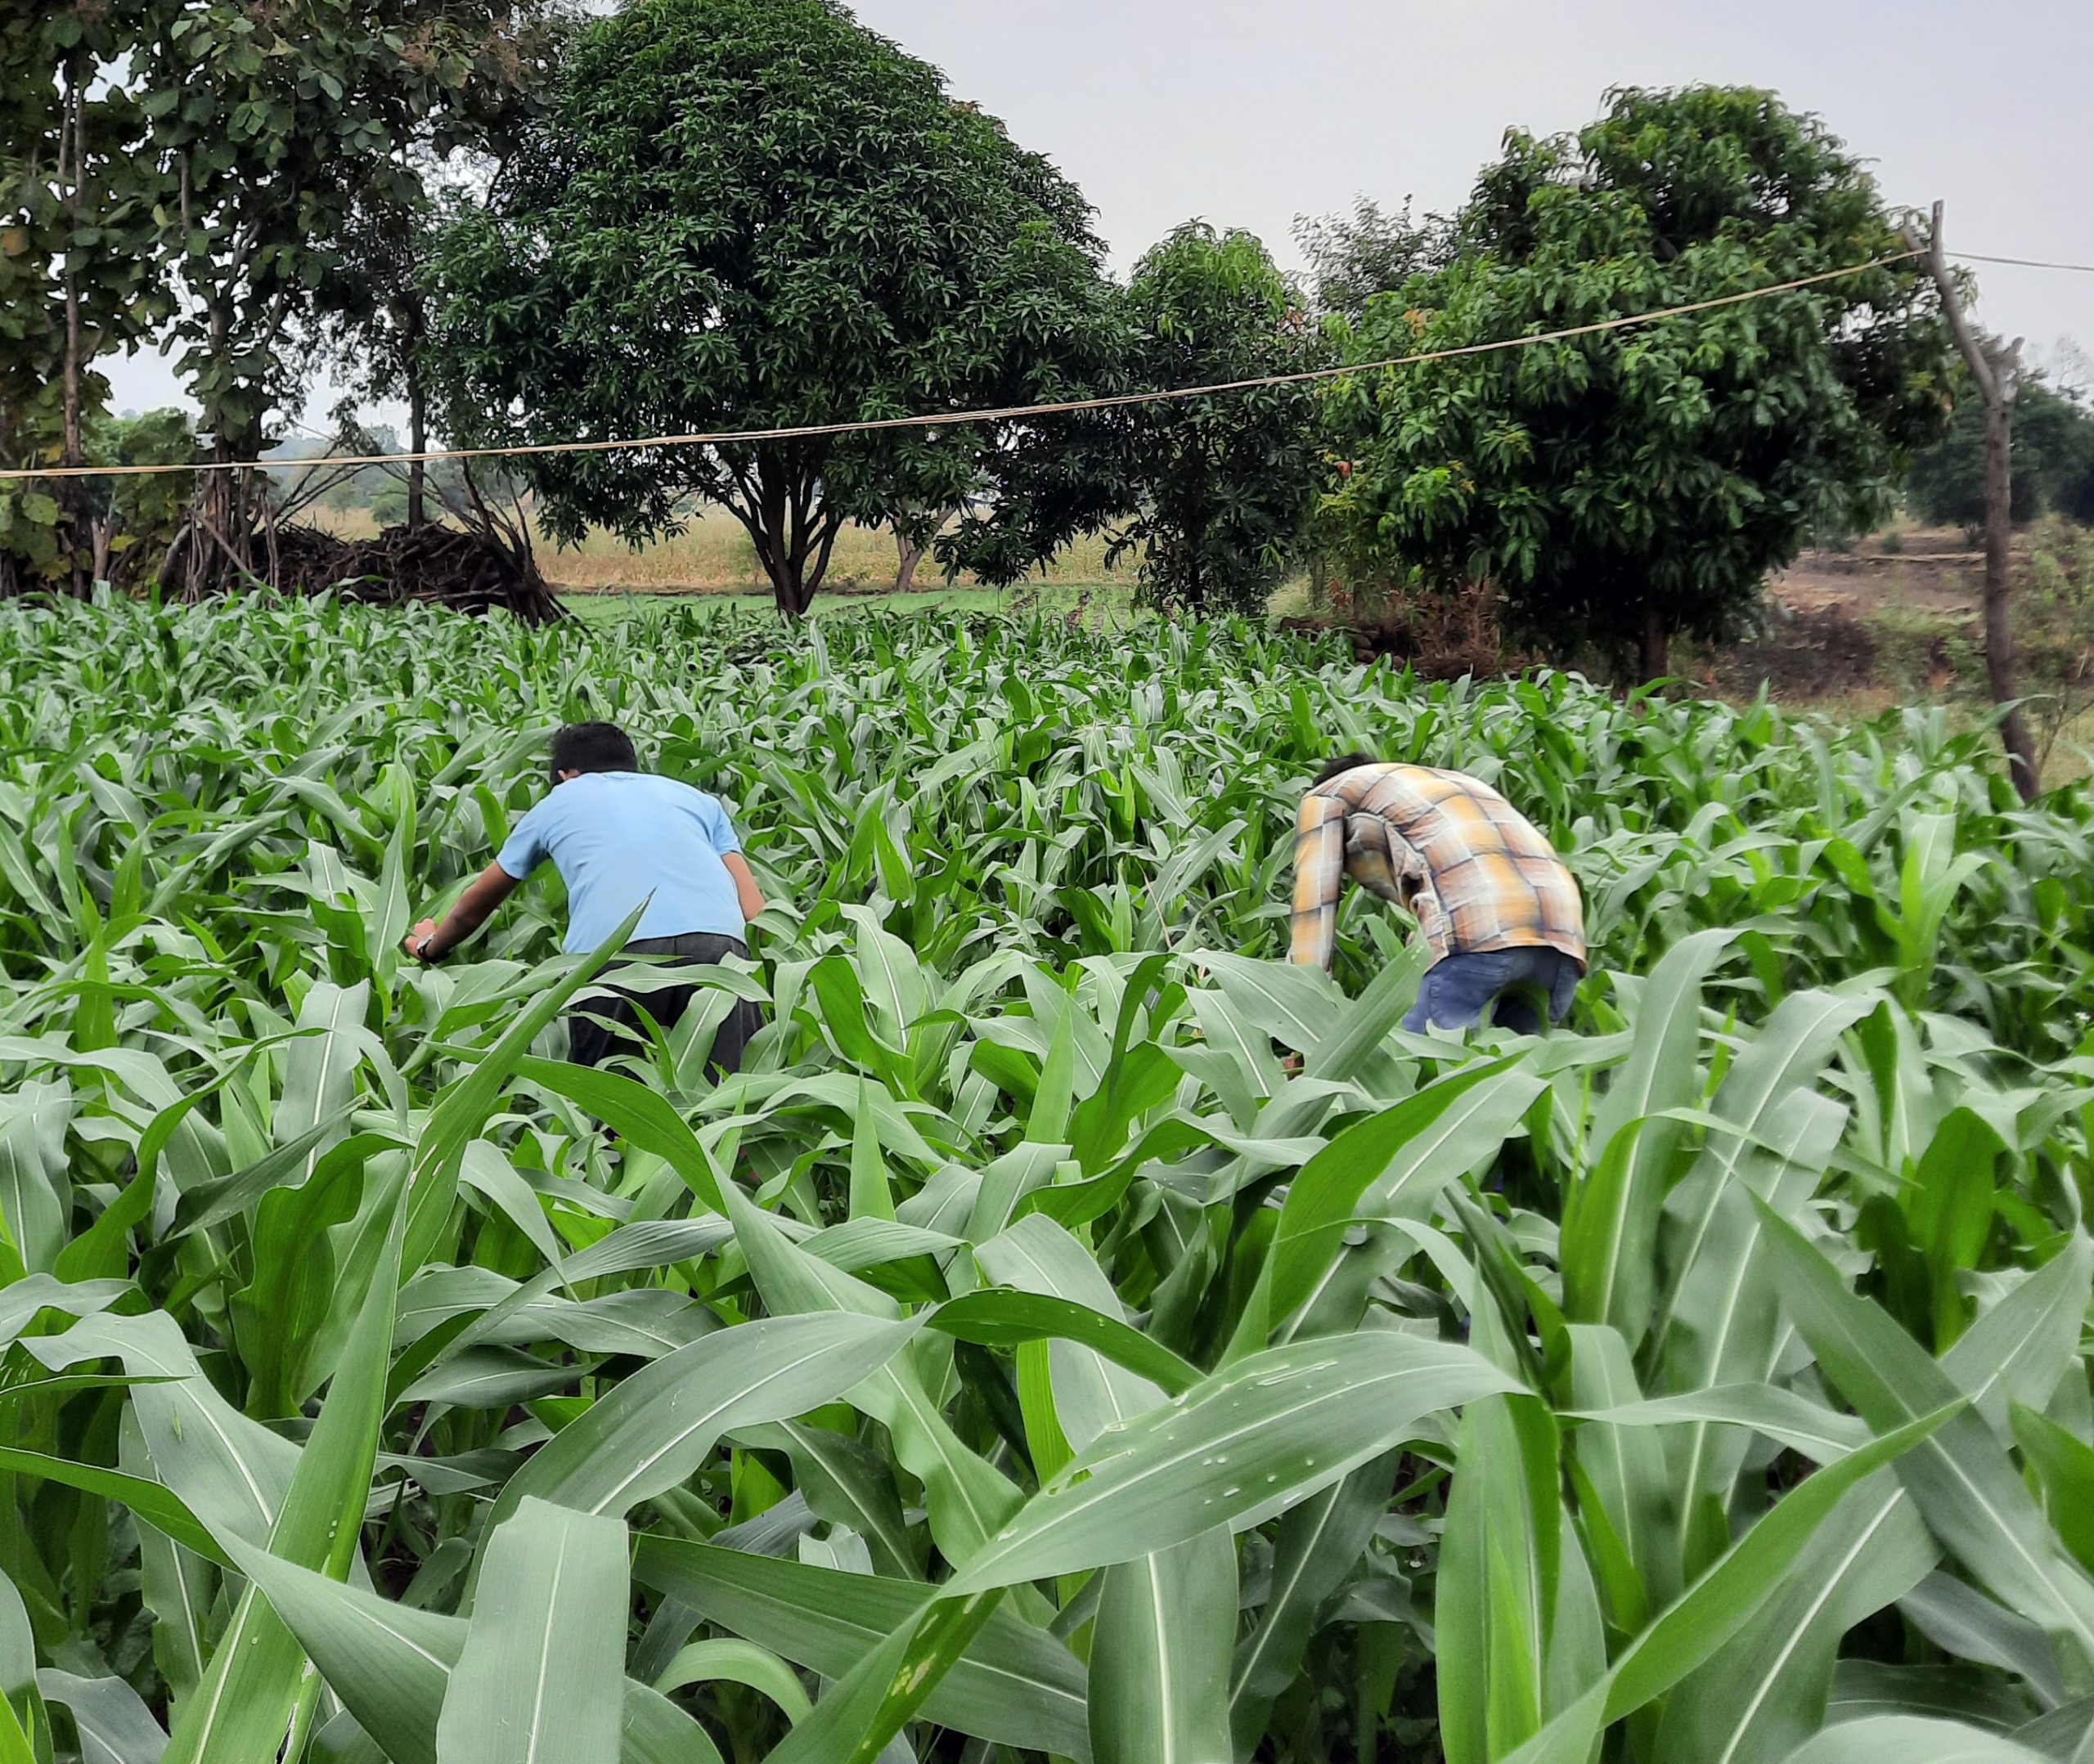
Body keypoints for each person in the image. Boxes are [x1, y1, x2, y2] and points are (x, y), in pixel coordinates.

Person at [404, 720, 767, 1073]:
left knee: (611, 1111)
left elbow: (475, 906)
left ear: (565, 775)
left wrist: (429, 947)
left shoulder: (559, 801)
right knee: (729, 1104)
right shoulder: (698, 800)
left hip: (616, 955)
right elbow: (754, 910)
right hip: (722, 955)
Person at [1289, 752, 1585, 1035]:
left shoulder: (1327, 796)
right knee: (1515, 1078)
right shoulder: (1446, 785)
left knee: (1415, 1076)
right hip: (1563, 932)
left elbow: (1313, 912)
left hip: (1476, 928)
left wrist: (1304, 1027)